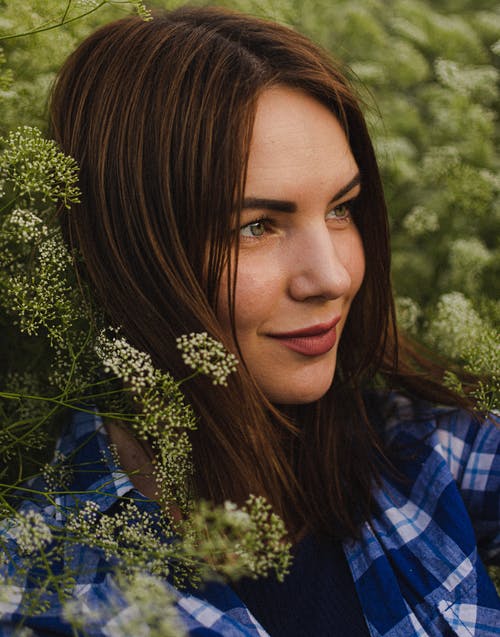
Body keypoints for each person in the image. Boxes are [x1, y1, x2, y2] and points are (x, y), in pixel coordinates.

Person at [0, 5, 499, 636]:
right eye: (256, 226)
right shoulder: (48, 594)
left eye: (342, 208)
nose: (333, 278)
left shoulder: (418, 448)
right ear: (128, 253)